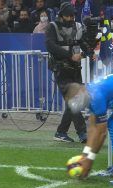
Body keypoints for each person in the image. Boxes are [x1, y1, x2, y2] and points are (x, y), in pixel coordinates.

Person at [45, 2, 94, 143]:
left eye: (73, 15)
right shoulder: (52, 27)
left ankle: (61, 132)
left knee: (73, 101)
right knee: (74, 99)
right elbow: (50, 46)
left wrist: (89, 52)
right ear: (61, 15)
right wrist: (69, 55)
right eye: (68, 15)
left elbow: (83, 42)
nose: (71, 18)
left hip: (75, 69)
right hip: (61, 69)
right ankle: (83, 133)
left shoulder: (78, 26)